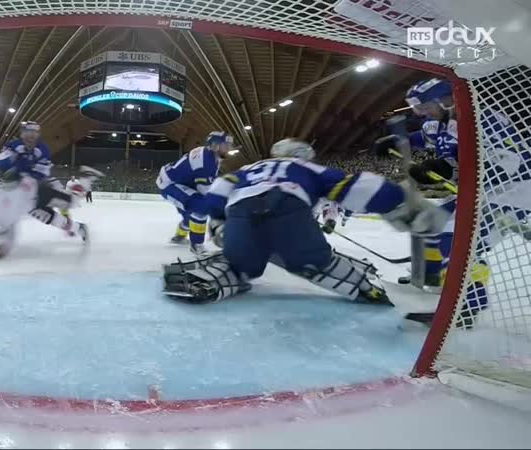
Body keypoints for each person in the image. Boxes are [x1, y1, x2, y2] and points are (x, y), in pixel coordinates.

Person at [162, 138, 450, 305]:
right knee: (313, 260)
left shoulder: (247, 169)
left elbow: (216, 198)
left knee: (242, 264)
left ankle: (221, 274)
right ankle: (364, 288)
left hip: (240, 216)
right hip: (290, 213)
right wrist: (401, 206)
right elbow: (356, 187)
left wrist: (220, 225)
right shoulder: (305, 167)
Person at [374, 78, 531, 327]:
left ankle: (468, 305)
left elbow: (508, 164)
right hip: (478, 192)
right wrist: (397, 141)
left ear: (446, 100)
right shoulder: (434, 124)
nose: (421, 112)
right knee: (430, 223)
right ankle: (437, 279)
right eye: (418, 108)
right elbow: (423, 138)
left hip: (514, 192)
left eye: (424, 106)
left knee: (457, 242)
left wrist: (448, 168)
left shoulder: (484, 119)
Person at [0, 176, 96, 260]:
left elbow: (11, 227)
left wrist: (4, 247)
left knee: (70, 202)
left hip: (37, 195)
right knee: (54, 221)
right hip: (30, 205)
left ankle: (80, 188)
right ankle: (79, 228)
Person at [0, 121, 101, 236]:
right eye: (28, 132)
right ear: (22, 133)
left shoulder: (42, 149)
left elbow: (42, 173)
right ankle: (79, 228)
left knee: (71, 202)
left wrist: (24, 176)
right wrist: (10, 162)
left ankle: (86, 178)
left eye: (34, 133)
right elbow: (0, 162)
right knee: (45, 217)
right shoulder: (13, 145)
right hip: (22, 191)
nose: (31, 136)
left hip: (41, 187)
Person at [156, 131, 231, 255]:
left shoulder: (210, 156)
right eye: (225, 144)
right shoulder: (206, 162)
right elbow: (206, 194)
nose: (228, 147)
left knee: (191, 213)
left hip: (179, 182)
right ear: (215, 145)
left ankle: (179, 237)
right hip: (170, 184)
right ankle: (197, 245)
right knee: (201, 208)